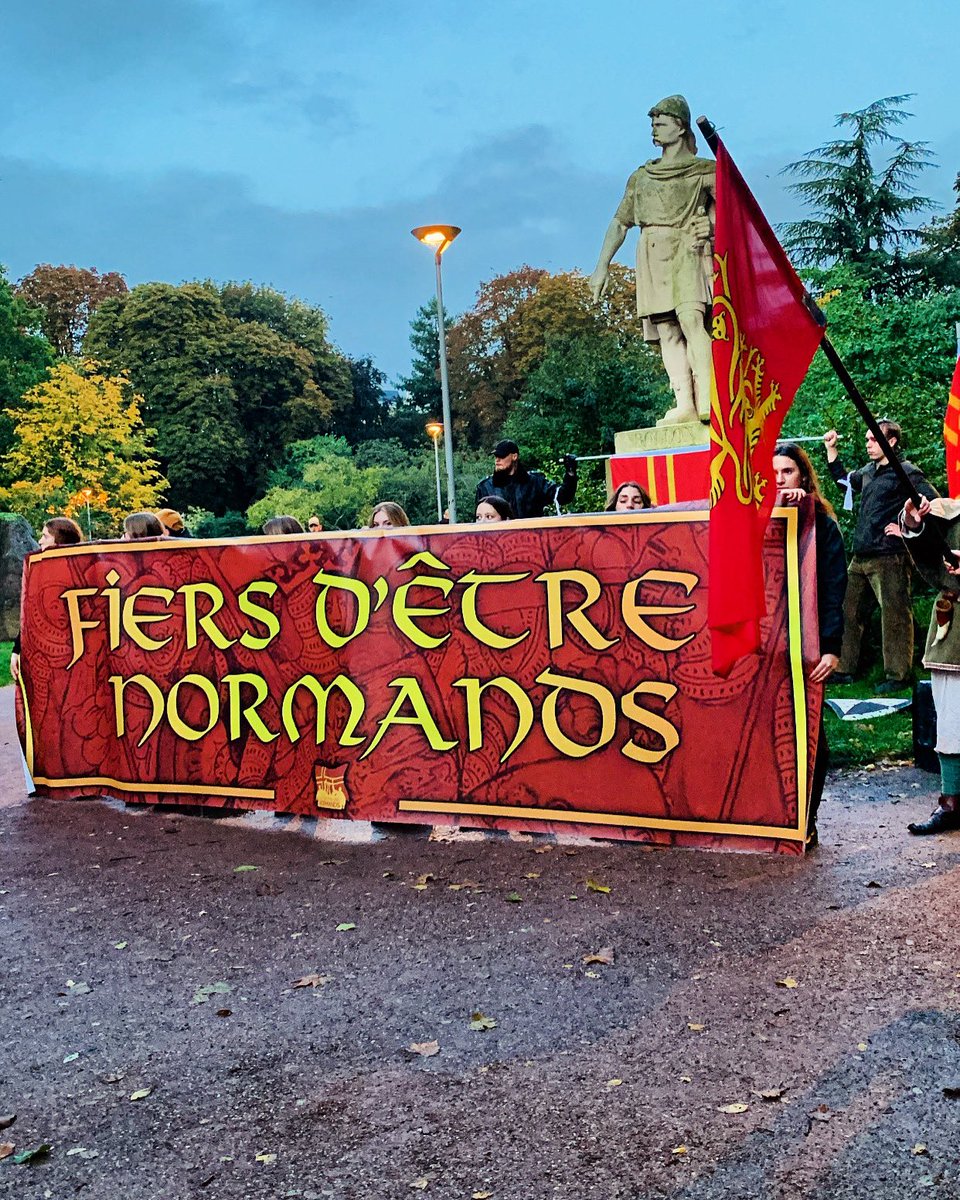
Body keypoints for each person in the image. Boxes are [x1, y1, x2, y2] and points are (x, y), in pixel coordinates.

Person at [589, 94, 715, 426]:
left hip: (687, 248)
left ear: (680, 127)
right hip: (652, 251)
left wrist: (712, 225)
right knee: (668, 331)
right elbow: (620, 223)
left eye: (661, 123)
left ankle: (708, 397)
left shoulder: (705, 171)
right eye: (653, 124)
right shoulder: (641, 177)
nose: (654, 130)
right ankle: (684, 403)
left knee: (691, 320)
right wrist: (602, 266)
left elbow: (735, 211)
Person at [824, 423, 938, 693]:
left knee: (895, 615)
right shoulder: (868, 472)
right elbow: (844, 483)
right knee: (848, 611)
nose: (868, 444)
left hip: (891, 555)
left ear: (892, 441)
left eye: (874, 439)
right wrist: (831, 450)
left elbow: (933, 504)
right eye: (867, 439)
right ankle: (843, 669)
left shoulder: (906, 471)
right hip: (862, 554)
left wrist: (905, 529)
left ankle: (898, 676)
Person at [774, 442, 848, 844]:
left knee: (809, 731)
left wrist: (831, 647)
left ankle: (807, 818)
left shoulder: (822, 525)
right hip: (767, 648)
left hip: (808, 645)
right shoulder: (759, 519)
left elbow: (834, 589)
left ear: (803, 475)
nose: (780, 480)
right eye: (772, 474)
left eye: (787, 472)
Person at [900, 495, 960, 834]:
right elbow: (926, 557)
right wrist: (914, 522)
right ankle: (951, 803)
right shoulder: (949, 513)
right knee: (951, 721)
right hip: (953, 632)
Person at [10, 517, 84, 684]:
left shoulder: (81, 572)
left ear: (59, 540)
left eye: (45, 536)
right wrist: (17, 650)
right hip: (47, 656)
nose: (40, 541)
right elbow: (31, 614)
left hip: (76, 654)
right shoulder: (40, 571)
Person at [475, 440, 577, 519]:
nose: (497, 460)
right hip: (498, 538)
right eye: (496, 456)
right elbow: (478, 521)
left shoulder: (535, 482)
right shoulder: (485, 487)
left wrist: (570, 472)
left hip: (531, 538)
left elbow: (563, 497)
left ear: (514, 456)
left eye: (502, 456)